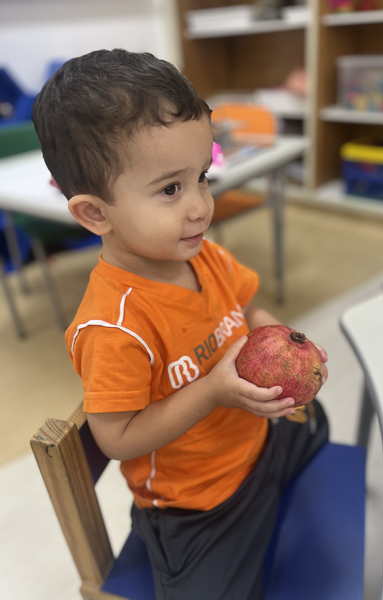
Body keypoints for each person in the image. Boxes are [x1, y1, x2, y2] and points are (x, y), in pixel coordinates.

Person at [33, 48, 329, 600]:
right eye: (171, 189)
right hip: (197, 502)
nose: (200, 207)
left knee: (320, 422)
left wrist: (289, 344)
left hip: (256, 444)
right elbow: (117, 439)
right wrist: (213, 390)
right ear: (95, 213)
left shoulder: (203, 254)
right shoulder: (114, 326)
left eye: (203, 177)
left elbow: (251, 308)